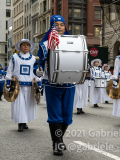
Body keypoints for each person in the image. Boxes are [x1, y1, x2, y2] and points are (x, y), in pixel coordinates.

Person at [34, 15, 75, 156]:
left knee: (67, 116)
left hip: (69, 84)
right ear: (52, 27)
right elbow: (37, 65)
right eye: (56, 24)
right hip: (52, 84)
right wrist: (37, 70)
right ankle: (56, 143)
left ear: (65, 26)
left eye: (61, 24)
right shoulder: (44, 45)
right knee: (55, 115)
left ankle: (59, 138)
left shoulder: (74, 42)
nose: (59, 27)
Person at [5, 39, 42, 132]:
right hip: (18, 86)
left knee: (27, 105)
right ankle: (20, 124)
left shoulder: (34, 59)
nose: (25, 46)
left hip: (30, 86)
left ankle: (24, 122)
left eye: (27, 45)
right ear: (20, 47)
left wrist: (39, 84)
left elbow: (37, 73)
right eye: (23, 45)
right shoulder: (14, 58)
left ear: (30, 47)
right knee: (20, 104)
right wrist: (8, 83)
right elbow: (10, 71)